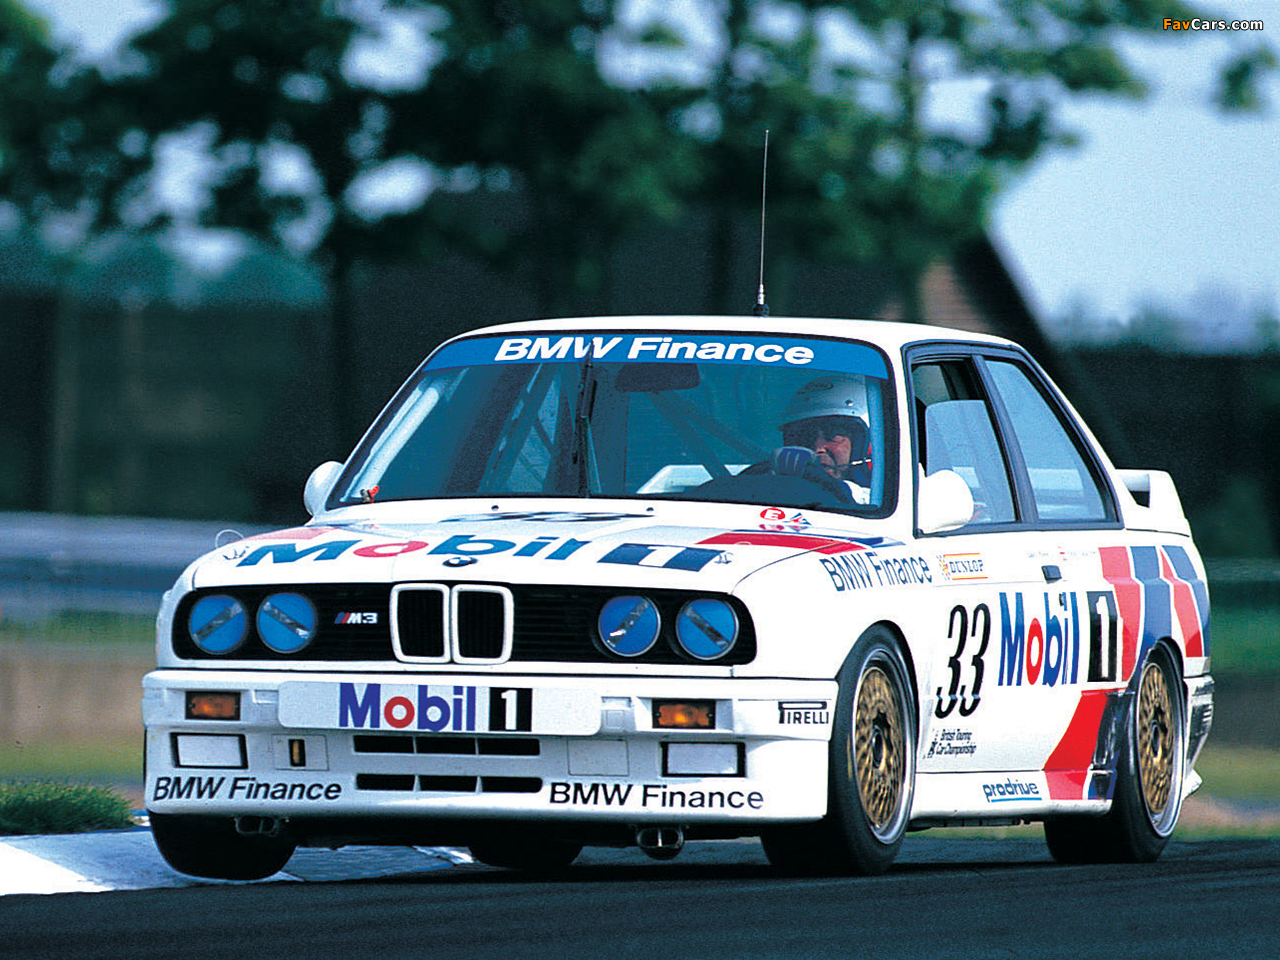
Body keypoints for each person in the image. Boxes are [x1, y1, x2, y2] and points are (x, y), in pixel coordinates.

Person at [776, 377, 872, 495]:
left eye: (833, 436)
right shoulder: (773, 492)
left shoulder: (878, 501)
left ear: (861, 446)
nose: (818, 448)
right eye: (807, 437)